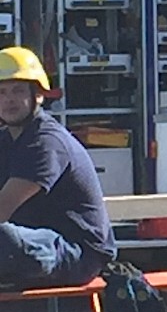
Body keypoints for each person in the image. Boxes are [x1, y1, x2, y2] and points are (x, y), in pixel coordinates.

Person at [0, 46, 115, 288]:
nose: (8, 100)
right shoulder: (6, 139)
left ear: (38, 95)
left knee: (5, 239)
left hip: (77, 253)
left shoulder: (45, 141)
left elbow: (3, 207)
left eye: (18, 91)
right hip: (40, 243)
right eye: (1, 92)